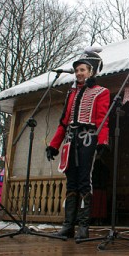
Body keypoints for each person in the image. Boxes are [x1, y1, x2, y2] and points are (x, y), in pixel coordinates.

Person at [46, 47, 110, 240]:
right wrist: (54, 144)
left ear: (92, 71)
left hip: (88, 138)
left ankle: (83, 225)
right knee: (71, 182)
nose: (79, 73)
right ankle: (68, 225)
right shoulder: (71, 93)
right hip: (70, 140)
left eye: (83, 69)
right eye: (77, 70)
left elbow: (103, 119)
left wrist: (102, 141)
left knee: (84, 180)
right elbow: (64, 121)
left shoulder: (101, 92)